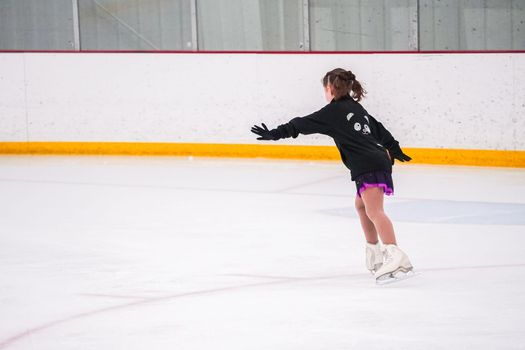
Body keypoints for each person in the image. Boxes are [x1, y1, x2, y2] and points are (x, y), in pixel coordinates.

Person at [251, 68, 413, 283]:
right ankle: (374, 252)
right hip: (373, 160)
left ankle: (395, 255)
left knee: (375, 210)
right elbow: (378, 128)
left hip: (368, 163)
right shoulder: (357, 108)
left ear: (329, 88)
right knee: (362, 206)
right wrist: (394, 147)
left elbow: (301, 123)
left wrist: (276, 133)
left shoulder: (332, 112)